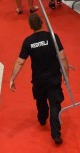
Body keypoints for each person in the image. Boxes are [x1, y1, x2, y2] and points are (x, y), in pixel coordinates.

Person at [9, 13, 69, 145]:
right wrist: (66, 75)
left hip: (39, 80)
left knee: (41, 101)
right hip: (54, 78)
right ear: (42, 23)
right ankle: (56, 134)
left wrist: (12, 78)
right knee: (55, 104)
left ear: (30, 26)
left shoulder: (28, 41)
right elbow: (63, 57)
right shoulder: (53, 37)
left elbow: (20, 62)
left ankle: (42, 118)